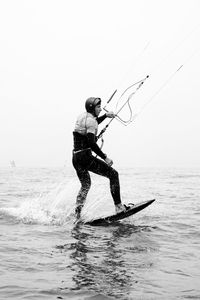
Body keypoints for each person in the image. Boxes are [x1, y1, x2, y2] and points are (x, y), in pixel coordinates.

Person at [72, 97, 130, 219]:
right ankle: (119, 207)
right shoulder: (92, 122)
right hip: (85, 157)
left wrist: (105, 116)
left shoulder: (83, 116)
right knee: (113, 174)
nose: (100, 109)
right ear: (92, 108)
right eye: (98, 107)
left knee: (85, 185)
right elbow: (92, 143)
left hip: (76, 157)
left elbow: (92, 124)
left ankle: (77, 214)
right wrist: (105, 158)